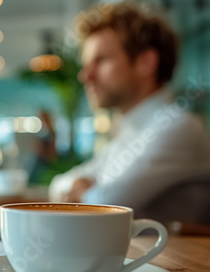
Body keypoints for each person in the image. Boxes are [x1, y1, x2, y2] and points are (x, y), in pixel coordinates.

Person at [49, 2, 210, 212]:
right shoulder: (129, 133)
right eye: (86, 64)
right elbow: (57, 186)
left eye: (101, 60)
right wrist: (83, 188)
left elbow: (103, 205)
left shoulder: (178, 126)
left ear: (146, 62)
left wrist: (88, 190)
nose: (85, 75)